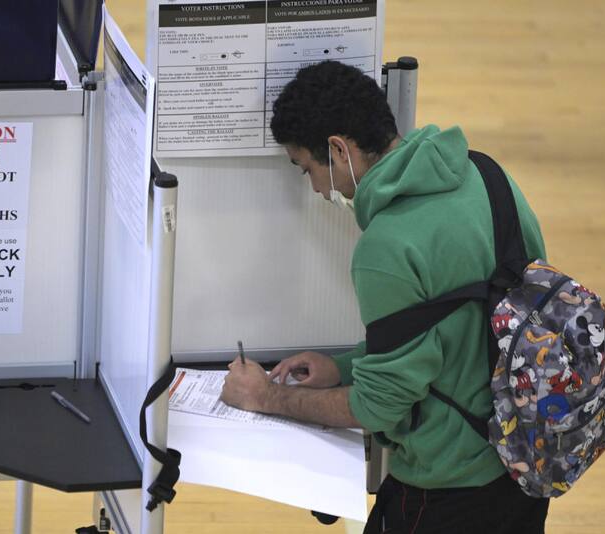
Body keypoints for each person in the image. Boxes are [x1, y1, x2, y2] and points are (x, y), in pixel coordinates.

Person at [220, 60, 550, 533]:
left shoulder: (386, 248)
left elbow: (377, 408)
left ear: (338, 149)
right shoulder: (489, 177)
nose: (316, 189)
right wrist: (343, 367)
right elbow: (464, 324)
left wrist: (266, 396)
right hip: (526, 464)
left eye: (308, 169)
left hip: (447, 489)